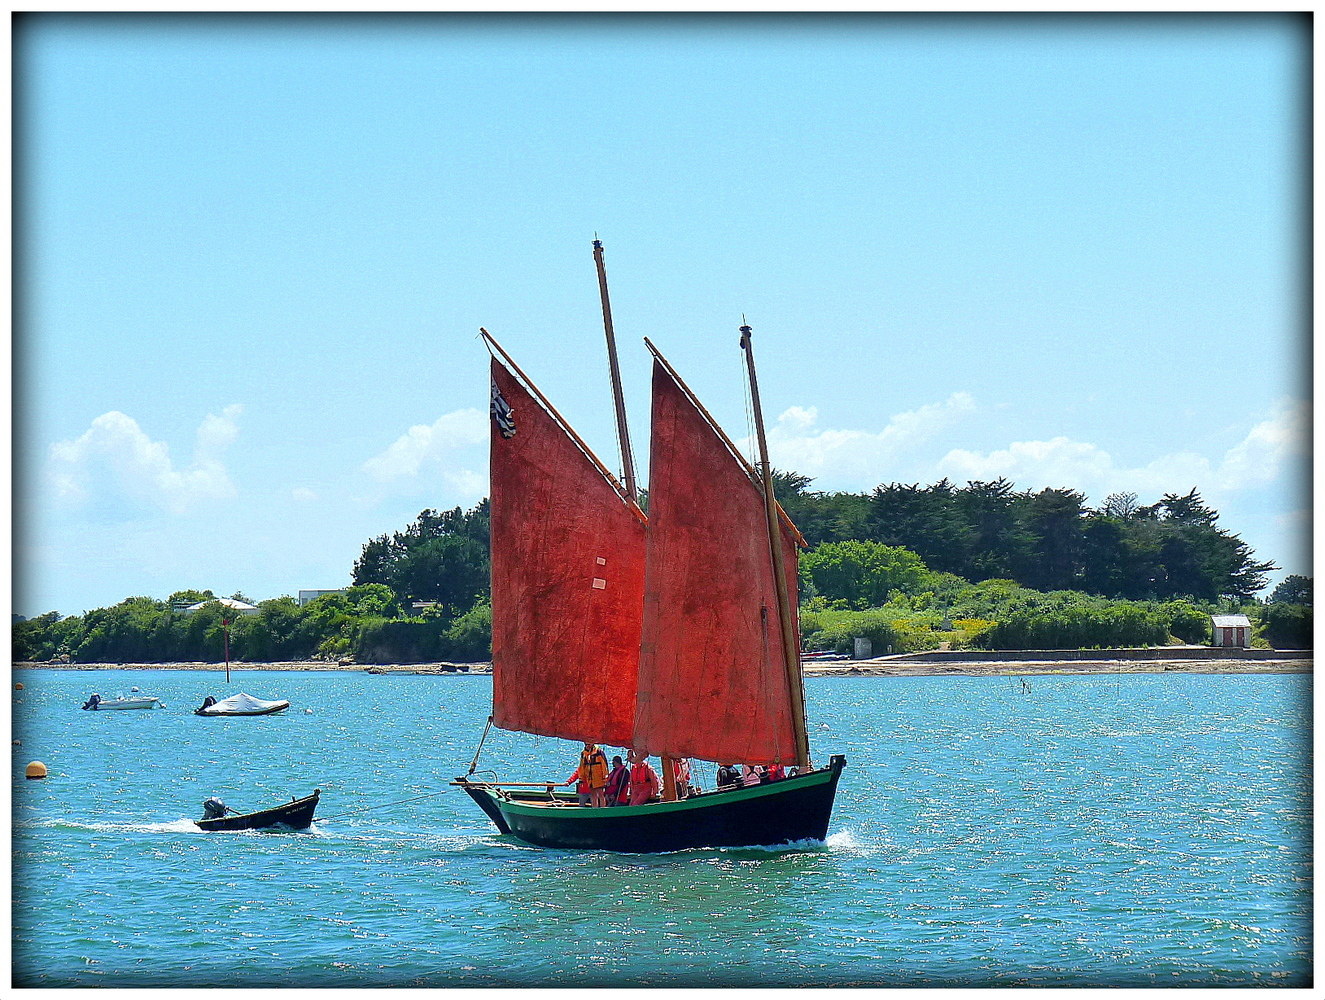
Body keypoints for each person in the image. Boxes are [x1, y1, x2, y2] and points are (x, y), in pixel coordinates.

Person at [564, 741, 610, 807]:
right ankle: (595, 809)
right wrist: (581, 778)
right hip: (590, 778)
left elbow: (604, 765)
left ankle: (602, 808)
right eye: (586, 744)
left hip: (599, 777)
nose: (587, 746)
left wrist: (605, 777)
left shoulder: (599, 752)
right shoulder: (584, 754)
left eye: (589, 744)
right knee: (593, 794)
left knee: (600, 794)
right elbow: (581, 767)